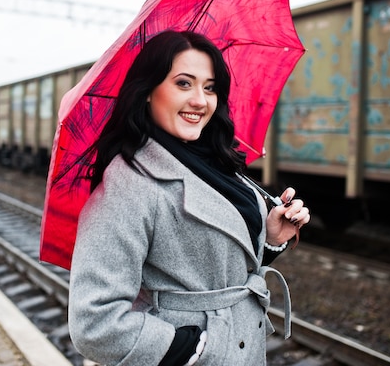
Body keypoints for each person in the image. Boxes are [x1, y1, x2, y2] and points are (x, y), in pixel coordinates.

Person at [68, 30, 310, 365]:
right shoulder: (128, 183)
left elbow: (207, 268)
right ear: (148, 91)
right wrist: (195, 349)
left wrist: (269, 240)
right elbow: (94, 324)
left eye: (209, 87)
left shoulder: (214, 161)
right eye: (184, 83)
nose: (200, 100)